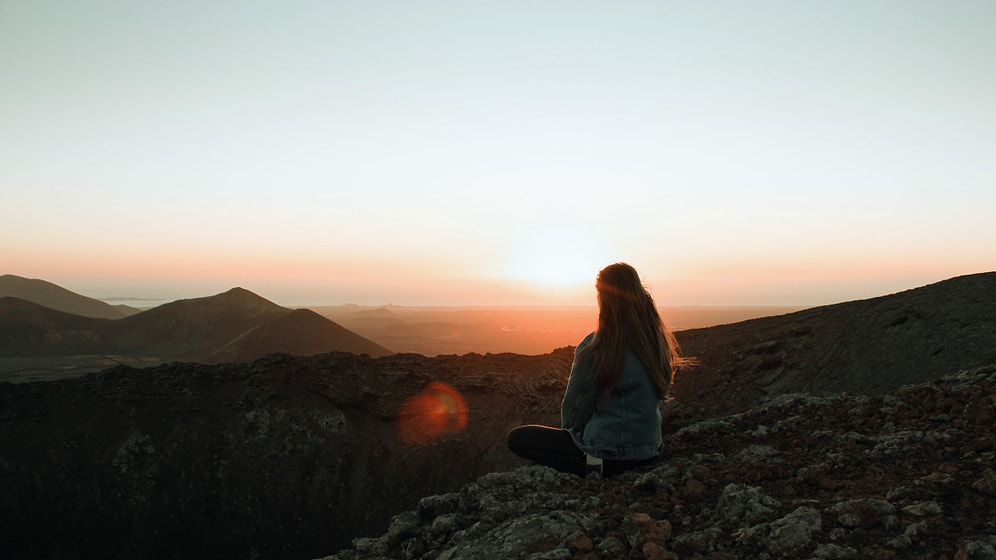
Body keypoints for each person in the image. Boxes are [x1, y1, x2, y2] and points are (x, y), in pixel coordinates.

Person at [507, 262, 686, 476]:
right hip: (647, 452)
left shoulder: (597, 345)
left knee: (517, 438)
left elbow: (576, 408)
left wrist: (571, 439)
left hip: (604, 455)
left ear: (604, 297)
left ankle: (591, 469)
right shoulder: (655, 342)